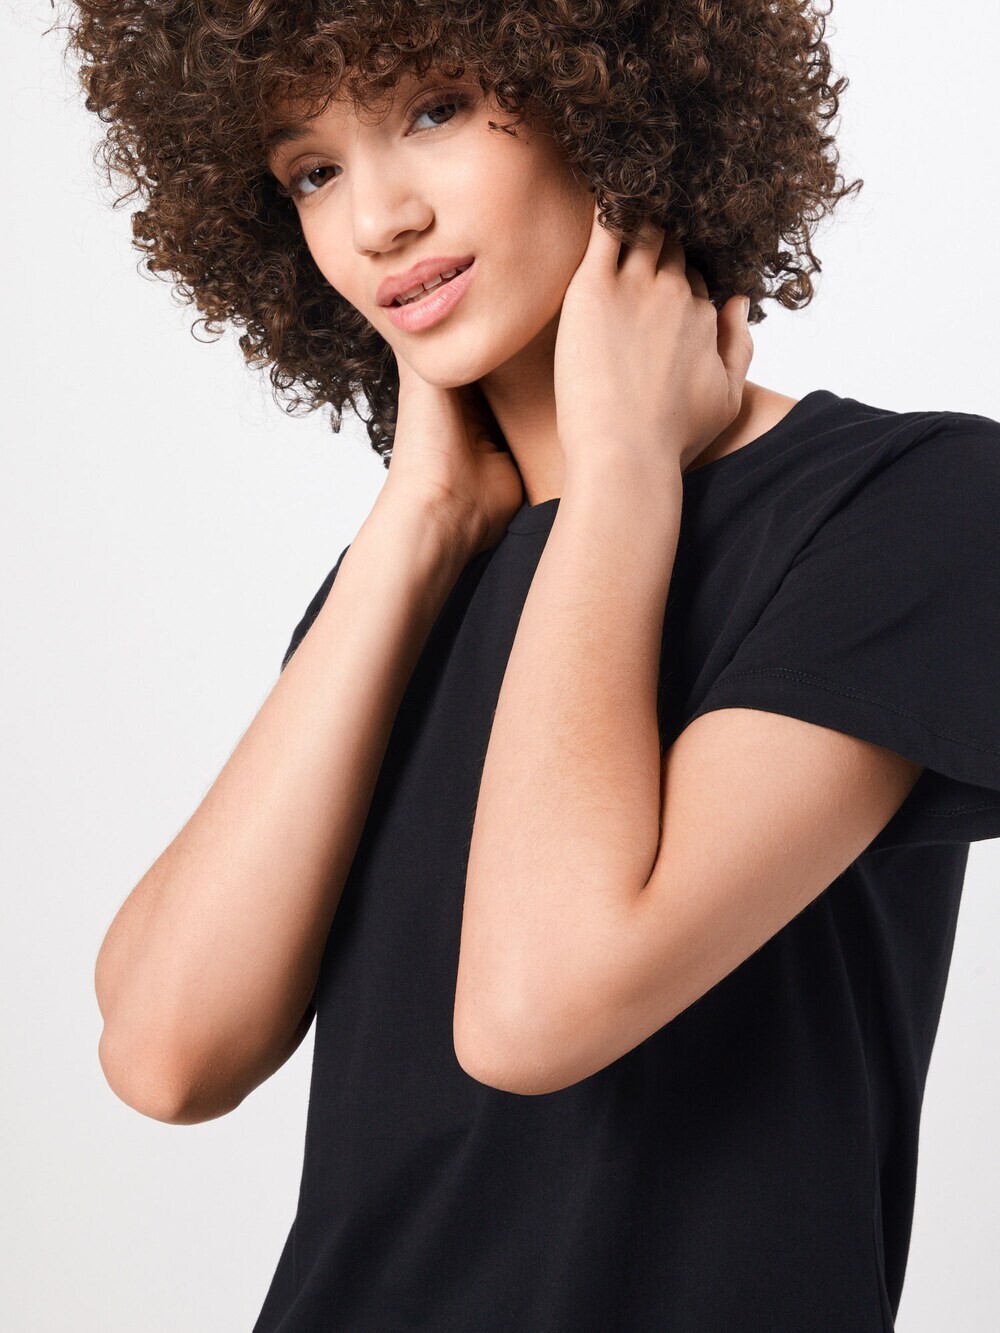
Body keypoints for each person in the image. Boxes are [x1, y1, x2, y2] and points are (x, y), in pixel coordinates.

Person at [70, 2, 1000, 1329]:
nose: (376, 220)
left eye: (434, 109)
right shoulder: (402, 586)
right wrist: (418, 519)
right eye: (313, 171)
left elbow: (534, 1010)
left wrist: (622, 472)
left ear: (611, 94)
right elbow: (165, 1052)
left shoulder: (905, 510)